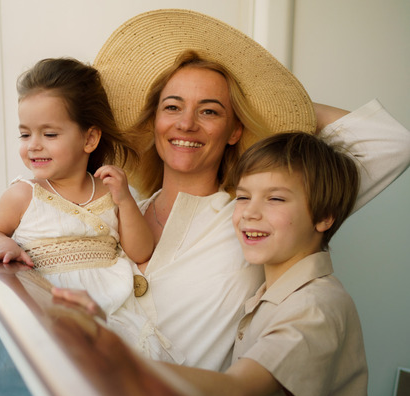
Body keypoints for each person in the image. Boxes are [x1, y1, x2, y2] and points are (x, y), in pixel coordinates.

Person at [51, 9, 410, 371]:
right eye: (172, 107)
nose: (186, 124)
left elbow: (392, 145)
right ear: (154, 121)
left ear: (235, 130)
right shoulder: (113, 209)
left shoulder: (252, 217)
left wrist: (279, 108)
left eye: (210, 112)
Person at [160, 131, 368, 396]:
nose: (249, 212)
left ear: (324, 216)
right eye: (243, 196)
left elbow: (232, 392)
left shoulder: (317, 307)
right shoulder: (267, 295)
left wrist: (115, 362)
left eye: (275, 198)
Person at [0, 58, 171, 359]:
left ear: (89, 138)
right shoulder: (25, 195)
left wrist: (125, 201)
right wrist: (5, 243)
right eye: (25, 134)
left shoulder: (109, 191)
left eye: (49, 134)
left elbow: (141, 252)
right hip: (54, 315)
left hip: (115, 312)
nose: (34, 145)